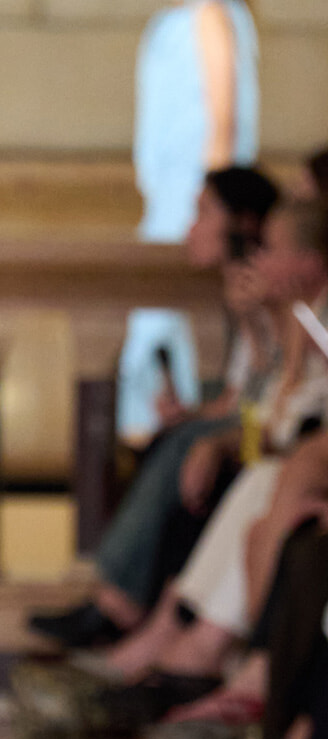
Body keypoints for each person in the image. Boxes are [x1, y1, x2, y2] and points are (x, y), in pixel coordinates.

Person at [30, 163, 279, 652]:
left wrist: (262, 318)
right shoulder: (238, 289)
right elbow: (237, 396)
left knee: (187, 444)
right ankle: (127, 601)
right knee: (169, 437)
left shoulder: (265, 289)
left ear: (245, 223)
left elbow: (271, 397)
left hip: (270, 431)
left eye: (204, 212)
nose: (191, 228)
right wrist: (193, 417)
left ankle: (121, 603)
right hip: (254, 420)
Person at [119, 0, 258, 441]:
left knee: (164, 334)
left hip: (189, 206)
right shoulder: (182, 19)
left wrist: (209, 207)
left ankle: (169, 438)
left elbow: (222, 123)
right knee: (156, 341)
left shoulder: (210, 14)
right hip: (169, 203)